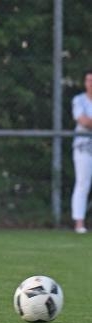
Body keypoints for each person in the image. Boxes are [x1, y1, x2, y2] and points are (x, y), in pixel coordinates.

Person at [71, 69, 92, 234]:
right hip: (83, 148)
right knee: (82, 183)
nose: (90, 84)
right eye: (88, 80)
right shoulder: (78, 100)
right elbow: (84, 121)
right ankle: (79, 223)